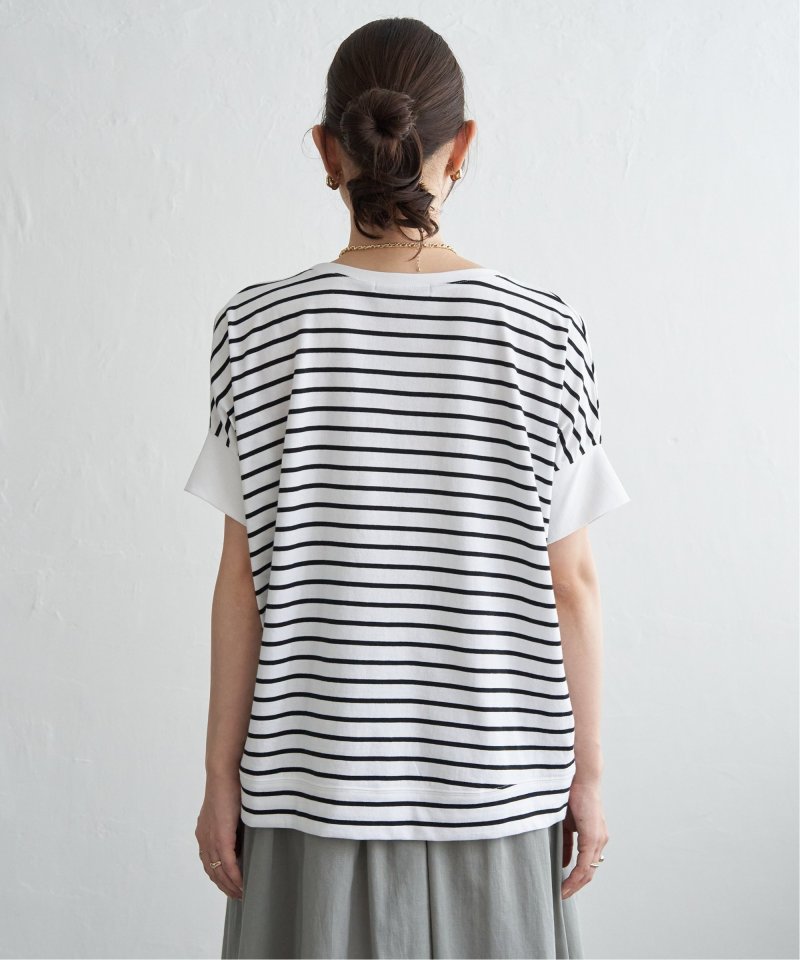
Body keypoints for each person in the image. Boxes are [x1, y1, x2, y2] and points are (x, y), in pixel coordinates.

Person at [183, 16, 631, 960]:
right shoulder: (546, 333)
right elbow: (575, 586)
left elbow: (240, 585)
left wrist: (220, 777)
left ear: (327, 151)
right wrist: (588, 778)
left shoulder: (253, 330)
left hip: (308, 796)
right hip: (500, 796)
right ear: (460, 147)